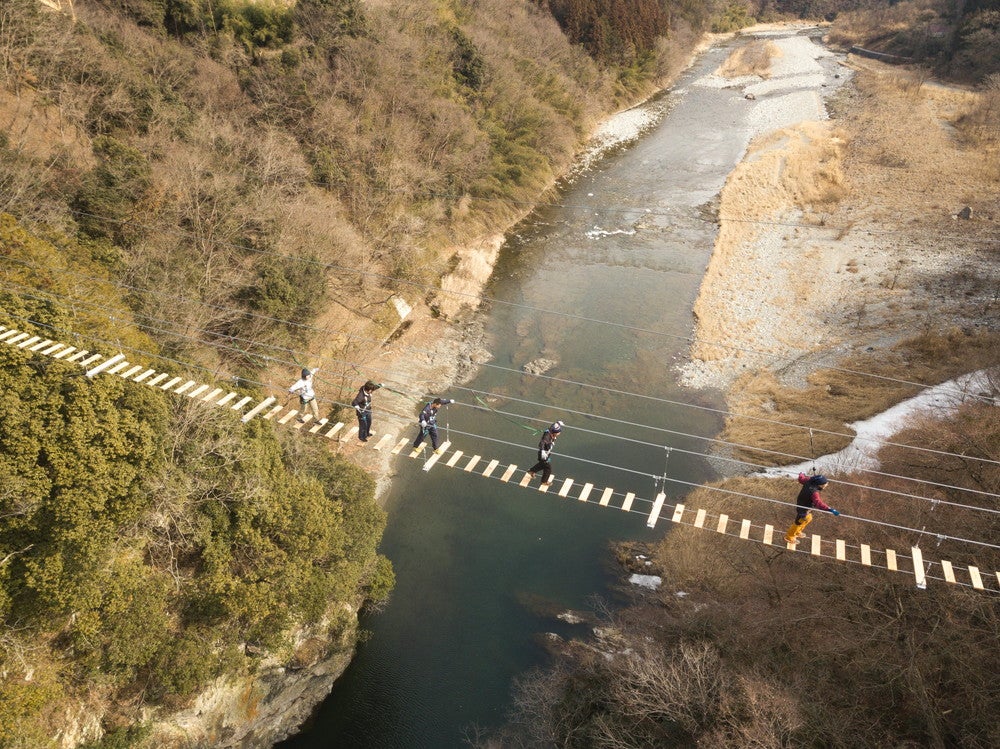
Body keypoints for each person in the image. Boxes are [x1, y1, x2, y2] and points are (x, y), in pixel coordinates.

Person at [785, 472, 840, 544]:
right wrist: (830, 509)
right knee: (799, 522)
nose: (826, 485)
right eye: (825, 484)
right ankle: (790, 536)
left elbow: (801, 479)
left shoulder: (808, 480)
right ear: (820, 485)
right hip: (804, 508)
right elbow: (819, 503)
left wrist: (801, 474)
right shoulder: (814, 493)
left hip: (803, 504)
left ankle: (798, 532)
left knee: (808, 518)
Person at [527, 421, 564, 487]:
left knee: (542, 464)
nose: (559, 433)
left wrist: (558, 423)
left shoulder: (551, 430)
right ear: (555, 432)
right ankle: (544, 481)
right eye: (558, 432)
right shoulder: (547, 436)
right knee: (548, 468)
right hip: (543, 454)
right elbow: (542, 443)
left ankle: (532, 471)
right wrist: (542, 451)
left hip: (547, 453)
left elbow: (553, 425)